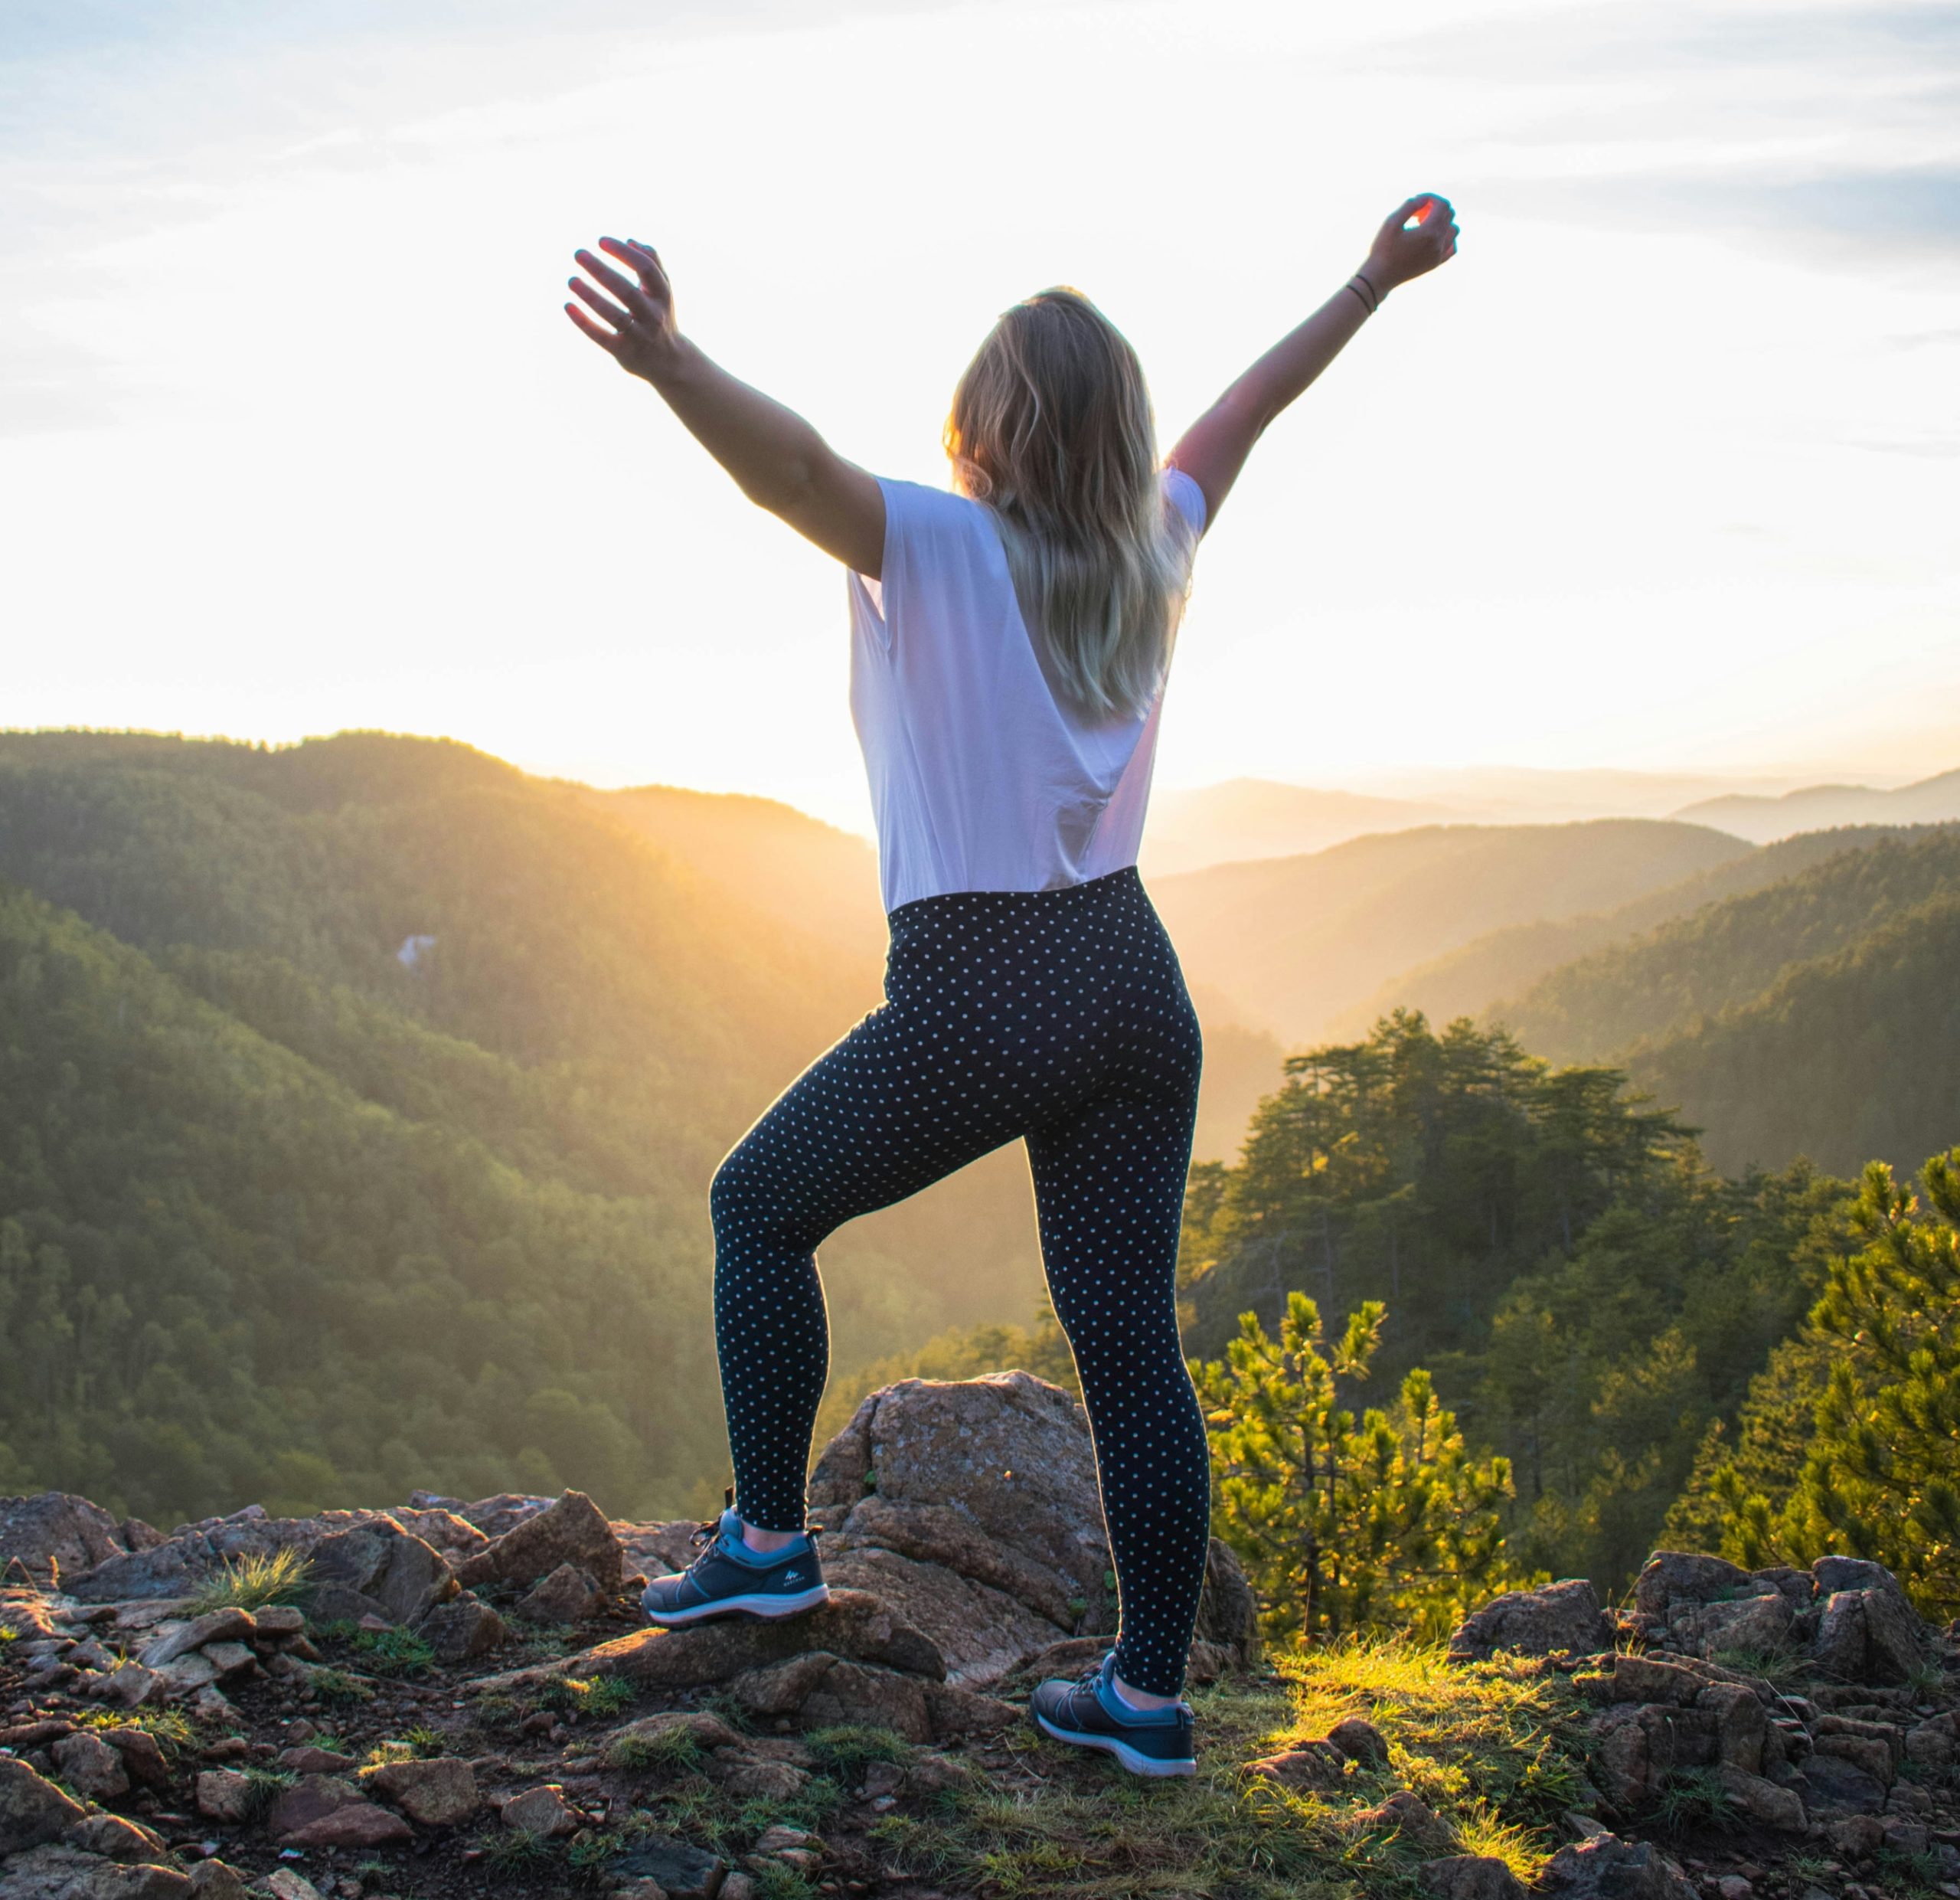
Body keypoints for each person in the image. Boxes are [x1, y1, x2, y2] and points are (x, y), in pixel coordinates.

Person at [564, 193, 1459, 1777]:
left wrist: (670, 361)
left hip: (986, 981)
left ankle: (767, 1539)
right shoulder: (1154, 543)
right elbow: (1246, 408)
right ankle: (1146, 1697)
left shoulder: (945, 540)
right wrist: (1367, 283)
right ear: (1114, 433)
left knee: (756, 1205)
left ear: (986, 423)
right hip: (1133, 980)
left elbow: (794, 470)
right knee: (1128, 1340)